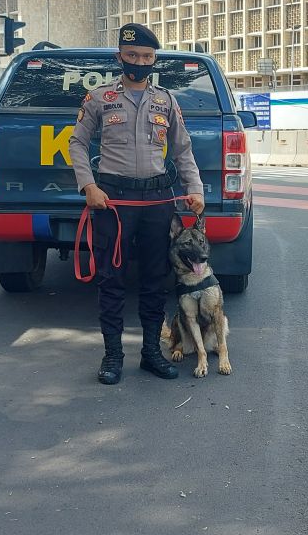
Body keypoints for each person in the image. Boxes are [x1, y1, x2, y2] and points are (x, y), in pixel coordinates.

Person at [70, 22, 206, 385]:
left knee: (153, 280)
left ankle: (150, 353)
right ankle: (113, 355)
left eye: (146, 57)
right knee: (111, 279)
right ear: (120, 57)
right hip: (112, 201)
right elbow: (77, 144)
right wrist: (88, 186)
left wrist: (196, 189)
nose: (139, 62)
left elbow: (182, 149)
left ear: (154, 60)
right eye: (132, 56)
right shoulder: (99, 98)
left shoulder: (166, 100)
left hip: (157, 201)